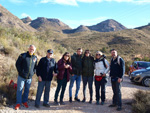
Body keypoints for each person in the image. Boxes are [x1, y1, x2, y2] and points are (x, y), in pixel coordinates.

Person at [15, 45, 37, 110]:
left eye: (33, 49)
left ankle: (24, 101)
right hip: (21, 76)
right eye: (30, 49)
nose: (31, 50)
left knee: (27, 90)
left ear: (34, 50)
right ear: (28, 49)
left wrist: (33, 72)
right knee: (19, 90)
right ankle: (18, 103)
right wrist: (20, 72)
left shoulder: (35, 57)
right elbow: (17, 64)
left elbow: (35, 66)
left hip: (29, 78)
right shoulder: (23, 55)